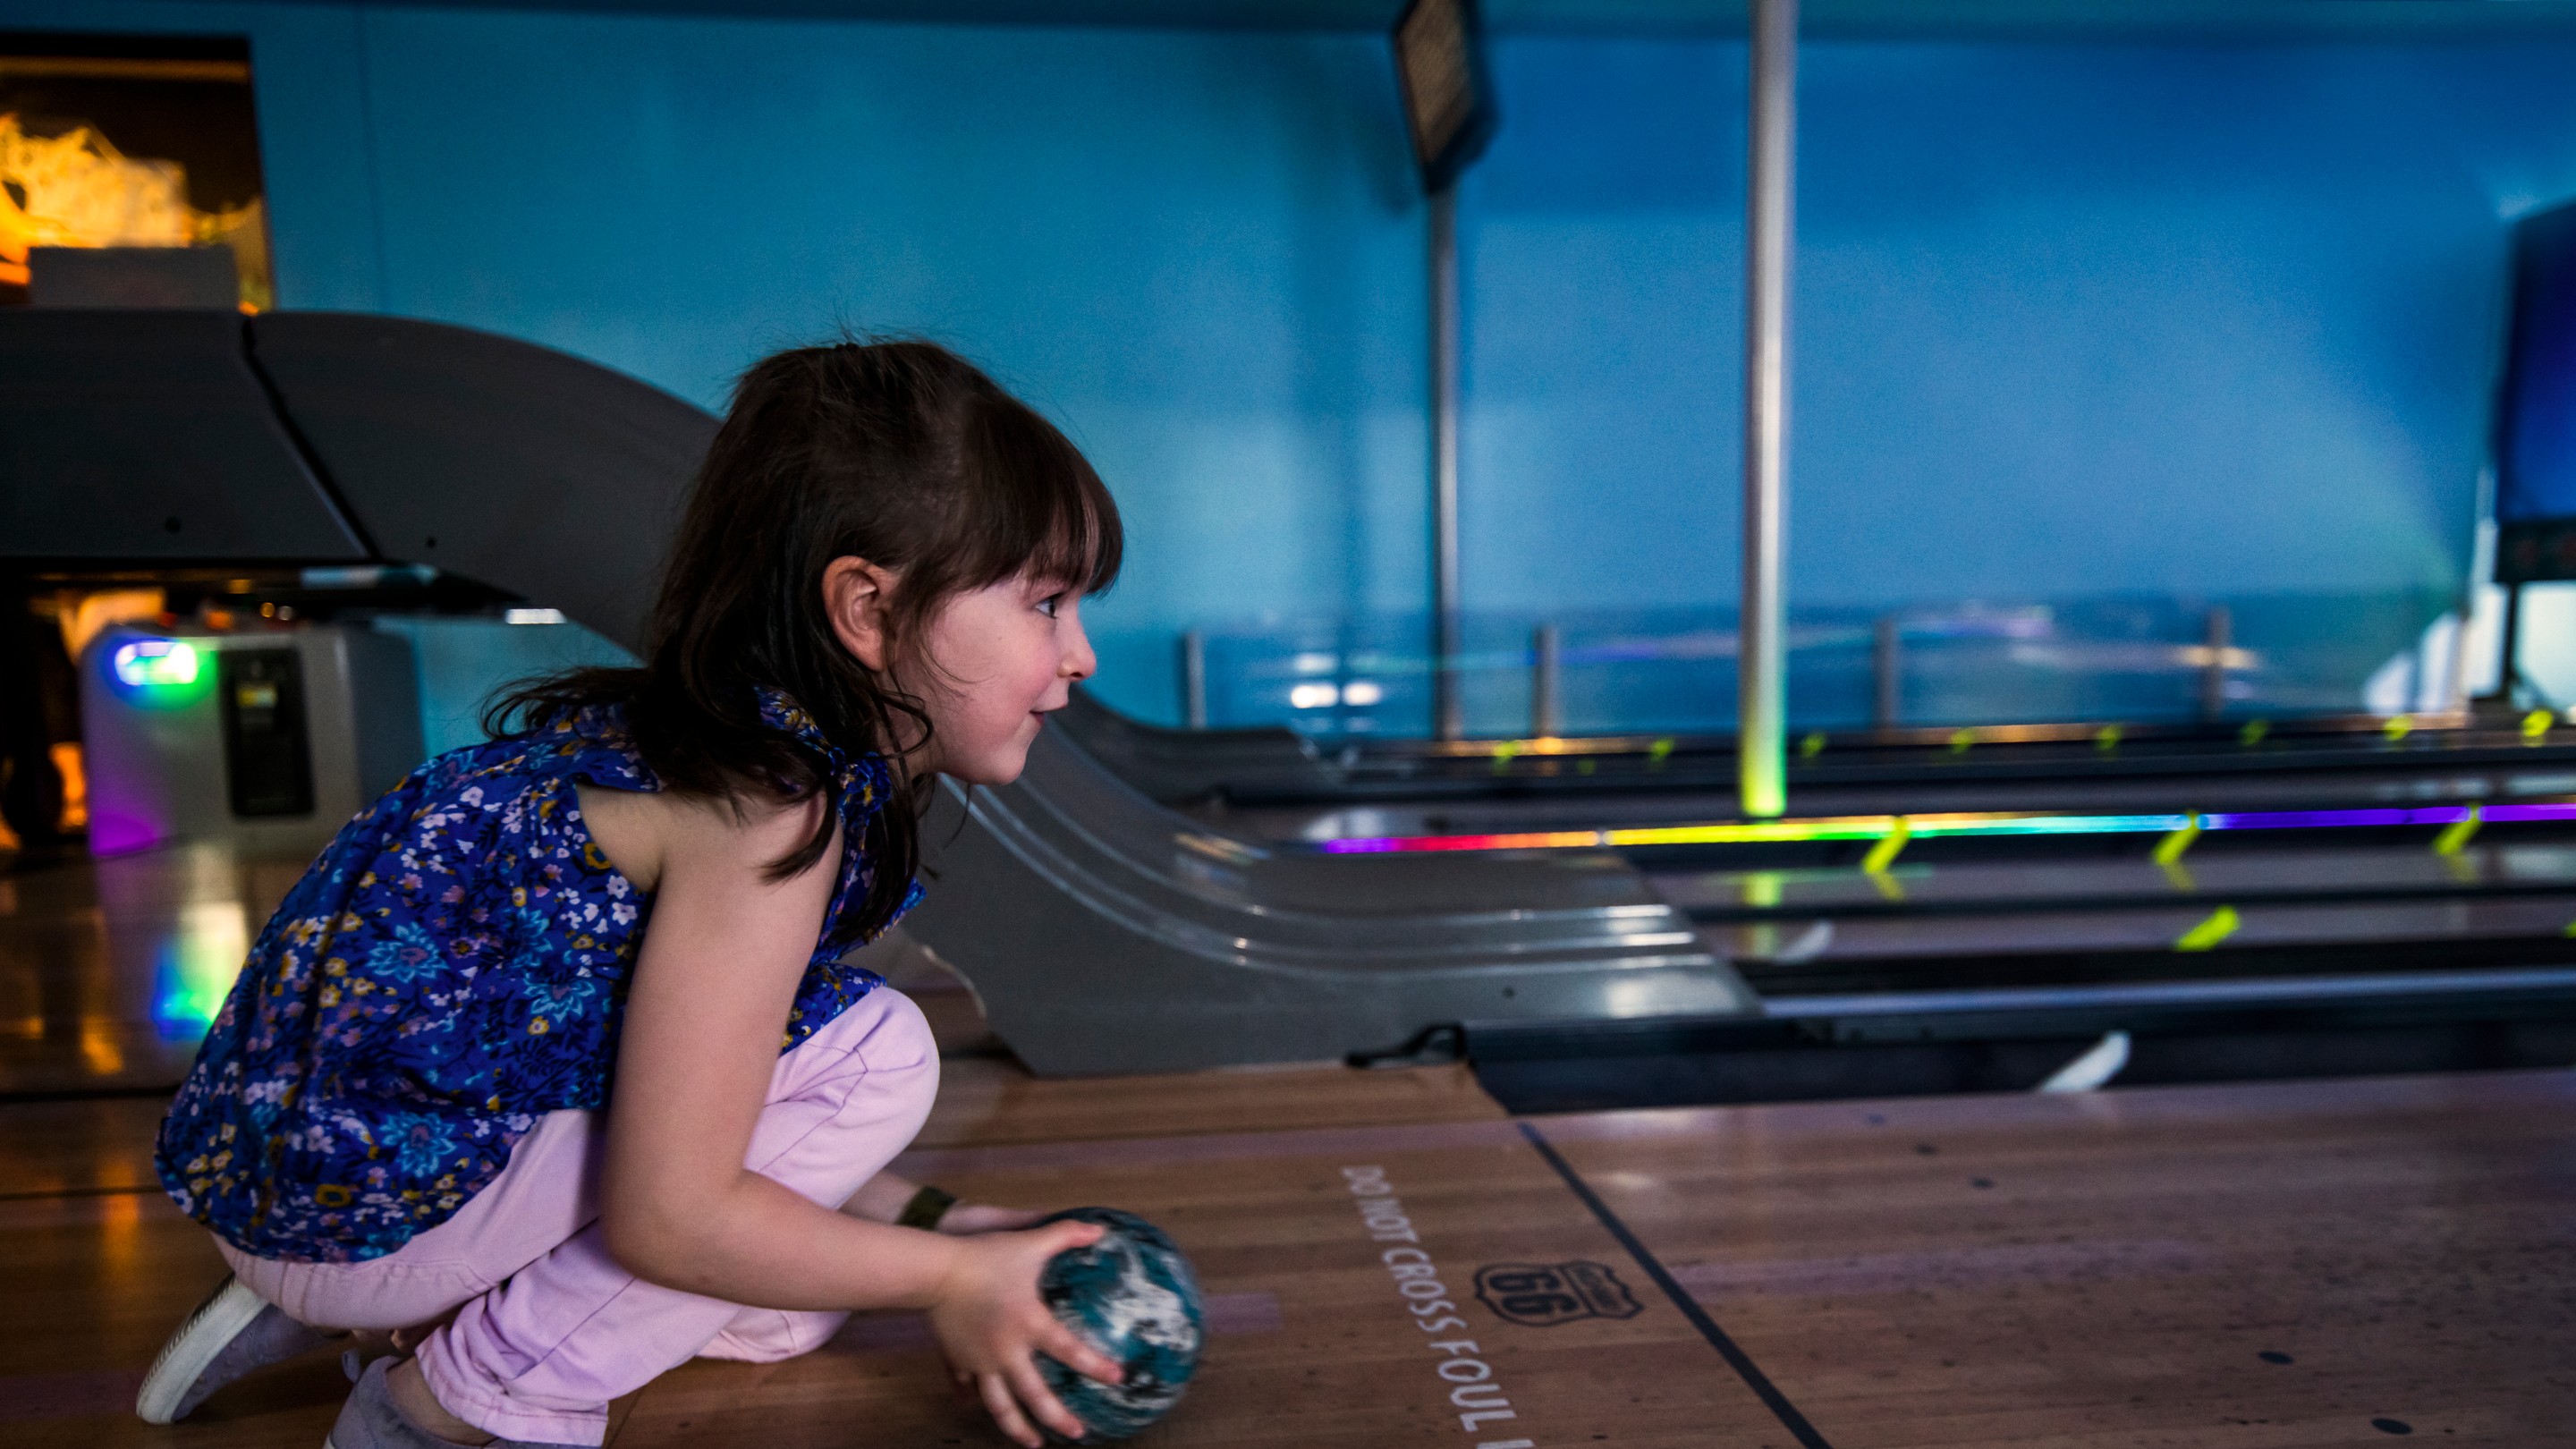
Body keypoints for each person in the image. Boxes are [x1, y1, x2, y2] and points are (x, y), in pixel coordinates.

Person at [136, 340, 1129, 1449]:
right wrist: (955, 1279)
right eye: (1046, 603)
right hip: (362, 1209)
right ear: (868, 610)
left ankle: (395, 1305)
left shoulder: (702, 745)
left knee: (789, 1306)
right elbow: (676, 1212)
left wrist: (939, 1226)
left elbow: (708, 1099)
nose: (1080, 653)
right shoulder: (767, 810)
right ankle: (454, 1404)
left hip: (305, 1168)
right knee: (879, 1054)